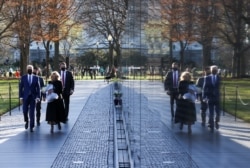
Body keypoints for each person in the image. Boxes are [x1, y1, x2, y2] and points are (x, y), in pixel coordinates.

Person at [19, 65, 40, 132]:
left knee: (32, 112)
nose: (29, 69)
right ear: (26, 69)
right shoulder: (23, 77)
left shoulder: (36, 78)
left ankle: (31, 126)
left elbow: (38, 88)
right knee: (25, 111)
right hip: (25, 97)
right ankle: (26, 121)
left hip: (33, 97)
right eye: (28, 69)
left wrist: (38, 97)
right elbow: (21, 88)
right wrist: (21, 97)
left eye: (31, 68)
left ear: (32, 69)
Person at [203, 65, 221, 132]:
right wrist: (204, 97)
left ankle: (216, 122)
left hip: (217, 97)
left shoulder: (219, 78)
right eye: (213, 69)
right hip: (210, 97)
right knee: (211, 113)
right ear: (211, 70)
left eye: (215, 69)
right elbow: (204, 88)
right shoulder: (207, 78)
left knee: (218, 113)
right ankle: (211, 124)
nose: (214, 70)